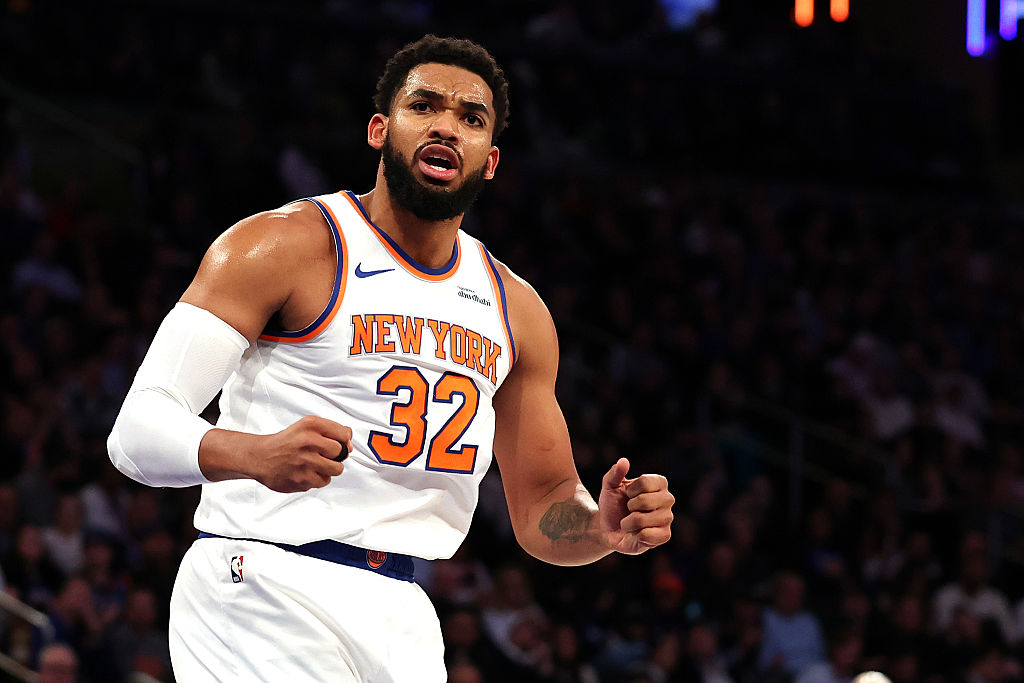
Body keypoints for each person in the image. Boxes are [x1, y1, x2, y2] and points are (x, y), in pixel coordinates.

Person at [106, 34, 675, 682]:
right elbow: (137, 430)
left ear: (490, 160)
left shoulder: (517, 310)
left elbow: (543, 505)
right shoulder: (284, 245)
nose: (446, 126)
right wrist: (252, 455)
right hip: (260, 581)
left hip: (402, 608)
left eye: (471, 118)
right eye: (424, 105)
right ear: (380, 129)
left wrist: (601, 527)